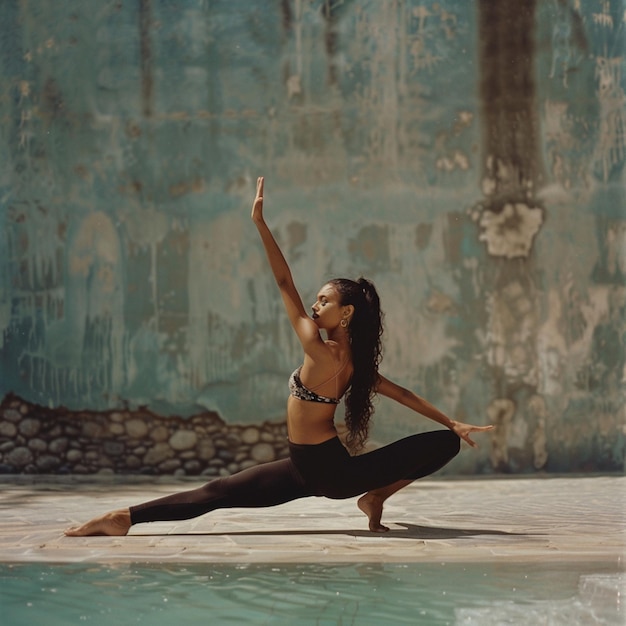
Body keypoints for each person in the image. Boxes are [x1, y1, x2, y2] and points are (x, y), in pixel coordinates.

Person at [65, 177, 493, 537]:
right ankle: (124, 518)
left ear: (346, 313)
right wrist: (449, 422)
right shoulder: (353, 362)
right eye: (317, 300)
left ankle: (376, 496)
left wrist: (260, 224)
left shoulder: (320, 350)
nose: (314, 306)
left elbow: (285, 283)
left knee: (444, 443)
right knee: (217, 493)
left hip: (329, 471)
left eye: (324, 301)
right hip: (307, 468)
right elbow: (403, 393)